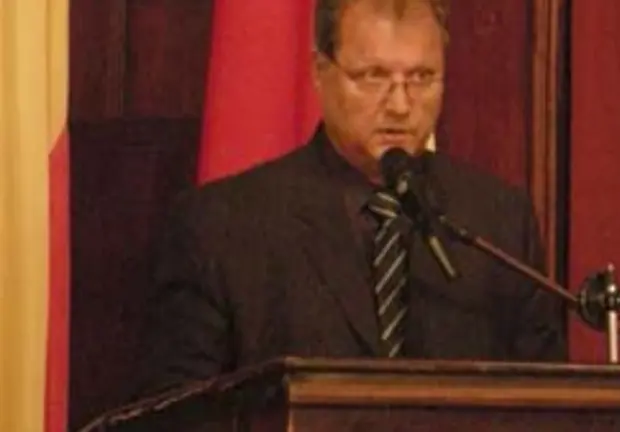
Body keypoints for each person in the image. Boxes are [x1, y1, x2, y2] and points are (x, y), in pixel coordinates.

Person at [137, 0, 567, 396]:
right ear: (320, 71)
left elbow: (545, 405)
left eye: (421, 78)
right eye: (373, 76)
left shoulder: (498, 222)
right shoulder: (223, 226)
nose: (400, 105)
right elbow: (181, 413)